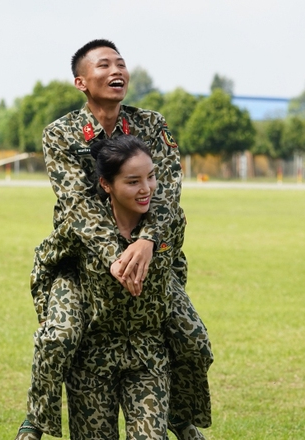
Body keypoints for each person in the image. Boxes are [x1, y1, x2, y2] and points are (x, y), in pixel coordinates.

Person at [16, 39, 212, 439]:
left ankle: (179, 414)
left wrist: (147, 242)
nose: (117, 71)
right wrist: (115, 255)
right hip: (82, 254)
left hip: (149, 253)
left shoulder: (151, 125)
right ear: (81, 82)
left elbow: (169, 191)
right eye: (104, 65)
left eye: (121, 63)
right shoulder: (61, 133)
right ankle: (37, 416)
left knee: (192, 338)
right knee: (60, 336)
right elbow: (77, 204)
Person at [32, 136, 181, 438]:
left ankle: (184, 421)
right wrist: (49, 314)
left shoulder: (167, 224)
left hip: (147, 357)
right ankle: (34, 420)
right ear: (107, 184)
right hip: (92, 360)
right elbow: (45, 263)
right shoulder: (83, 230)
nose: (146, 189)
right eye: (133, 181)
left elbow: (177, 266)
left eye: (151, 177)